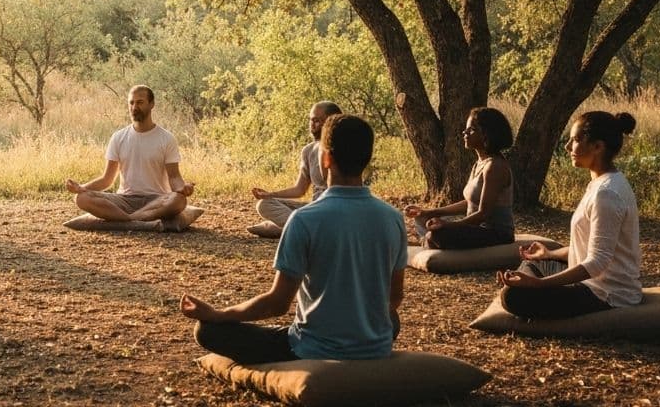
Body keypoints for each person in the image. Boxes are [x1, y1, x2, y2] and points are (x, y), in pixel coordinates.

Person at [180, 114, 407, 362]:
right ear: (367, 158)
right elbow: (394, 298)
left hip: (312, 349)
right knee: (391, 321)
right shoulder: (392, 217)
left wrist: (219, 314)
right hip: (374, 346)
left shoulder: (304, 219)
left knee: (208, 331)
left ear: (326, 158)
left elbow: (277, 304)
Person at [497, 111, 642, 319]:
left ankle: (527, 287)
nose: (567, 147)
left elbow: (596, 262)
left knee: (512, 296)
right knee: (533, 264)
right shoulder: (602, 183)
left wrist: (538, 284)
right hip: (591, 283)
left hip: (605, 294)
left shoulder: (607, 193)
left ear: (598, 147)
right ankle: (529, 281)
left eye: (575, 140)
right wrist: (549, 254)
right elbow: (588, 249)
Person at [65, 85, 198, 232]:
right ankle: (136, 220)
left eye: (140, 102)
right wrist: (82, 188)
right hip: (124, 200)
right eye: (131, 103)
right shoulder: (118, 137)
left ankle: (127, 220)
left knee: (179, 201)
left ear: (151, 104)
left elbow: (174, 177)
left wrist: (182, 188)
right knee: (81, 198)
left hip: (156, 200)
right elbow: (106, 179)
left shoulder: (166, 138)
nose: (134, 107)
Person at [403, 107, 516, 250]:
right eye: (466, 129)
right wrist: (430, 212)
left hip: (496, 234)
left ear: (486, 134)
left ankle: (427, 241)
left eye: (471, 130)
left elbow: (483, 214)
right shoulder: (479, 163)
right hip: (476, 229)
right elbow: (469, 203)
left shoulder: (495, 167)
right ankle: (427, 241)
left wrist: (448, 225)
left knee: (436, 235)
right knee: (423, 218)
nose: (465, 133)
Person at [247, 101, 343, 238]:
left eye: (317, 121)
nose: (312, 125)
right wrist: (270, 194)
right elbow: (299, 189)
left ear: (330, 122)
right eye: (311, 120)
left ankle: (295, 229)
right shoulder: (308, 150)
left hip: (332, 211)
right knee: (264, 204)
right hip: (314, 209)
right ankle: (302, 229)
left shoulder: (342, 148)